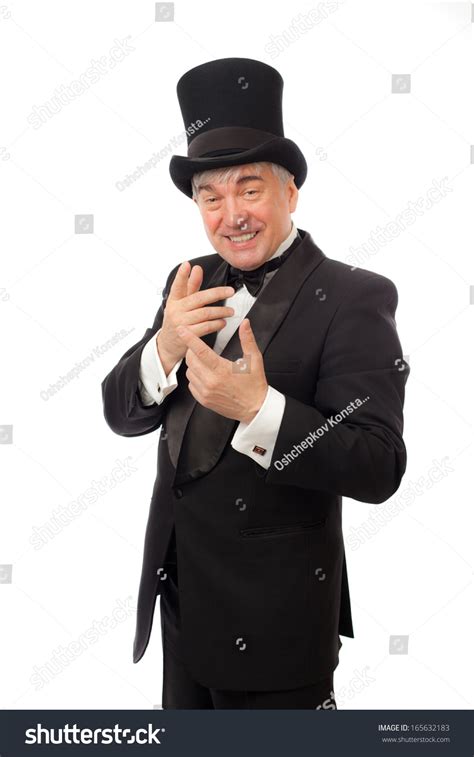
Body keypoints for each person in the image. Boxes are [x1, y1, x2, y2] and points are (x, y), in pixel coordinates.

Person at [101, 57, 410, 709]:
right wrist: (164, 345)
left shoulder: (354, 297)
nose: (230, 214)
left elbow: (379, 464)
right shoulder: (187, 279)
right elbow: (121, 413)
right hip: (181, 611)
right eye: (211, 196)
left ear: (289, 192)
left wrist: (261, 410)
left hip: (278, 627)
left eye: (249, 189)